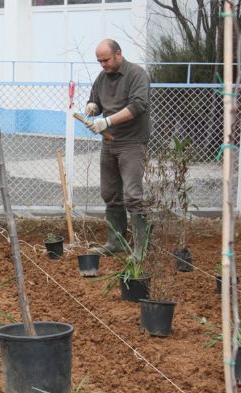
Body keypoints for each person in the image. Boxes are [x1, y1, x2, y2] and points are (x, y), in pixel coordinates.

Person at [84, 39, 150, 263]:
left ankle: (140, 249)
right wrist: (92, 108)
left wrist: (107, 121)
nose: (102, 65)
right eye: (99, 61)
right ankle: (116, 243)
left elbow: (138, 105)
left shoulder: (136, 74)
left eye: (106, 60)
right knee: (110, 194)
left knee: (133, 196)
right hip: (109, 143)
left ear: (118, 54)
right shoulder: (102, 78)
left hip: (132, 143)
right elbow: (95, 100)